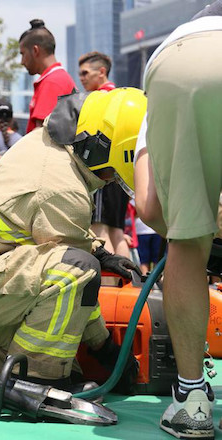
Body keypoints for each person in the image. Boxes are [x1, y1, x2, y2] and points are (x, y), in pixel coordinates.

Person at [0, 88, 145, 392]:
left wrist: (99, 251)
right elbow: (78, 276)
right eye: (112, 172)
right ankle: (40, 381)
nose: (109, 179)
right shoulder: (63, 187)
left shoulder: (45, 146)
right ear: (100, 148)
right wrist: (104, 346)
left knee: (43, 322)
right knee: (75, 271)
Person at [134, 2, 222, 438]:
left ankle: (193, 404)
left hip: (179, 65)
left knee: (185, 243)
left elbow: (149, 209)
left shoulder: (166, 67)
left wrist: (197, 237)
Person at [77, 51, 128, 258]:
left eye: (85, 73)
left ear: (102, 72)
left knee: (100, 233)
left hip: (103, 171)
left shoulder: (100, 98)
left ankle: (106, 289)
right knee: (117, 233)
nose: (81, 78)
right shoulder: (121, 96)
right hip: (122, 173)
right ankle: (129, 287)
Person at [19, 19, 76, 133]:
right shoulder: (58, 78)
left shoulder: (53, 82)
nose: (22, 61)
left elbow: (40, 135)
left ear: (35, 50)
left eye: (23, 54)